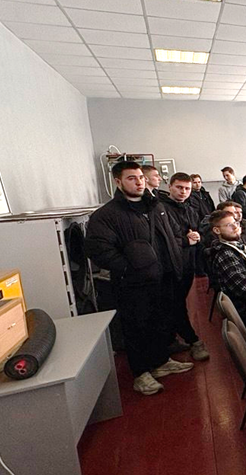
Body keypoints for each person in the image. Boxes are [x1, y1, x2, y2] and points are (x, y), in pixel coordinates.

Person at [84, 161, 193, 396]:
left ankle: (161, 361)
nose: (139, 182)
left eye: (141, 177)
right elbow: (99, 250)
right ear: (118, 181)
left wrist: (175, 264)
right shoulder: (106, 215)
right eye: (131, 178)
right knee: (137, 327)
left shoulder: (155, 206)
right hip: (133, 283)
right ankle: (141, 373)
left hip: (163, 277)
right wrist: (129, 268)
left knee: (160, 322)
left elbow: (172, 235)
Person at [158, 172, 209, 361]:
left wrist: (197, 236)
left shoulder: (190, 208)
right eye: (179, 187)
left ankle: (171, 340)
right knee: (176, 304)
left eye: (187, 188)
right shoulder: (161, 209)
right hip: (171, 265)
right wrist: (187, 240)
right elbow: (165, 238)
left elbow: (195, 228)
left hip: (188, 262)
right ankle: (193, 340)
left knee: (179, 301)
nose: (183, 191)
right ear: (170, 187)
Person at [206, 209, 246, 317]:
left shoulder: (238, 245)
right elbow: (244, 287)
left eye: (236, 223)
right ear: (217, 230)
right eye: (229, 225)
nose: (235, 227)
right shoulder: (225, 254)